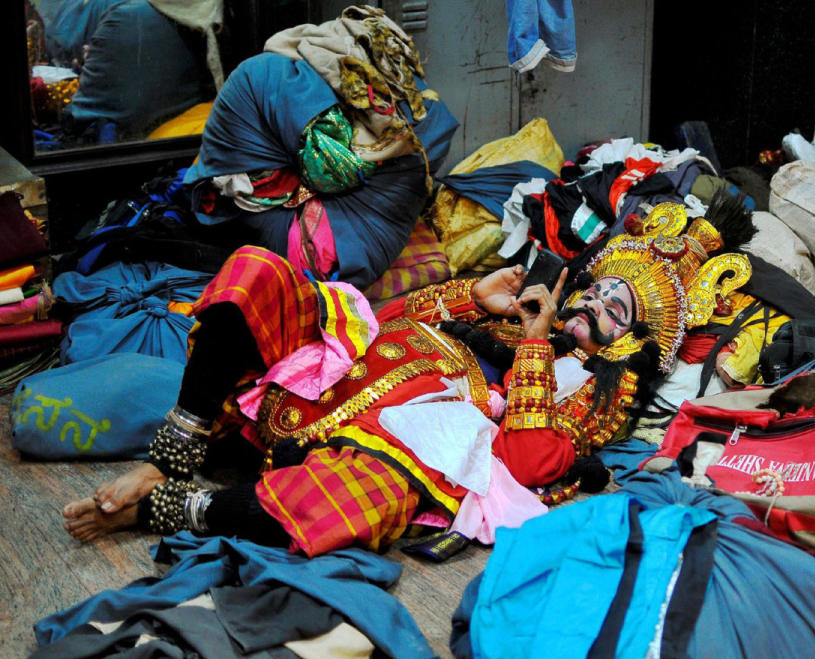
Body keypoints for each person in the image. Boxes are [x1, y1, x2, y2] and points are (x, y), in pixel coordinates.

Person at [63, 198, 755, 557]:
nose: (594, 309)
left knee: (359, 507)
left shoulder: (590, 395)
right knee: (258, 271)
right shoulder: (513, 318)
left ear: (628, 340)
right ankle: (171, 457)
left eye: (617, 311)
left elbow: (528, 458)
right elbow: (383, 322)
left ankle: (168, 510)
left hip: (396, 439)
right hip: (329, 369)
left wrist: (540, 351)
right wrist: (468, 299)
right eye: (599, 291)